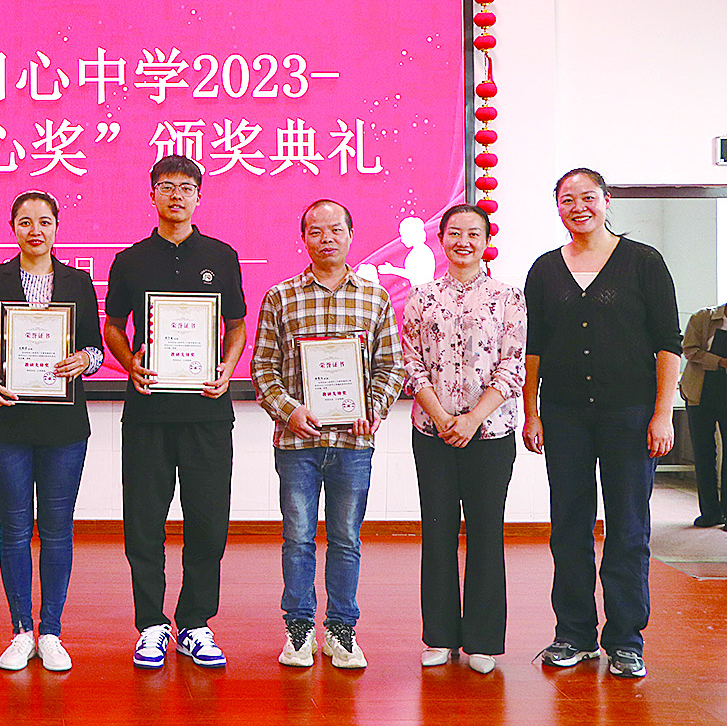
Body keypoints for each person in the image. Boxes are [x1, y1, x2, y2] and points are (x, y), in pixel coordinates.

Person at [523, 168, 682, 679]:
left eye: (588, 197)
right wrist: (531, 412)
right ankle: (574, 634)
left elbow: (668, 343)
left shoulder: (643, 262)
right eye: (567, 200)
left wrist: (662, 413)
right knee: (569, 526)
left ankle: (626, 639)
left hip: (630, 415)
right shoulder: (545, 270)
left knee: (628, 527)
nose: (578, 207)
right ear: (558, 208)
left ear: (607, 201)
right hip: (564, 415)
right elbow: (533, 349)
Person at [103, 156, 247, 671]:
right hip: (148, 412)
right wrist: (130, 364)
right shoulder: (131, 260)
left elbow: (236, 326)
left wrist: (228, 368)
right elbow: (113, 325)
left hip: (207, 412)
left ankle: (195, 623)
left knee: (208, 520)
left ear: (199, 197)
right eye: (167, 187)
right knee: (144, 522)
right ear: (152, 195)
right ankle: (151, 624)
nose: (177, 196)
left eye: (187, 188)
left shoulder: (222, 257)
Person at [251, 199, 403, 670]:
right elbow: (262, 369)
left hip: (353, 444)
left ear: (351, 235)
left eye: (336, 229)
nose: (327, 239)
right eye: (316, 231)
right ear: (304, 239)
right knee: (297, 538)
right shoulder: (281, 297)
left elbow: (391, 367)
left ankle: (341, 629)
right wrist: (290, 411)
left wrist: (372, 410)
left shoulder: (375, 298)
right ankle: (298, 629)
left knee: (346, 539)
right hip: (297, 443)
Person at [0, 191, 105, 673]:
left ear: (57, 227)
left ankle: (51, 632)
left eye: (44, 221)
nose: (35, 231)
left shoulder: (78, 282)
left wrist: (84, 359)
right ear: (13, 228)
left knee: (58, 529)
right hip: (7, 423)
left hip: (64, 426)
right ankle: (21, 630)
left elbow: (96, 348)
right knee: (15, 527)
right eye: (25, 222)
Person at [401, 204, 525, 675]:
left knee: (486, 533)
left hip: (490, 433)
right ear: (442, 239)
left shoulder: (508, 297)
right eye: (455, 233)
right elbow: (412, 363)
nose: (464, 242)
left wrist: (472, 418)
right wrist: (442, 417)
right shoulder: (422, 296)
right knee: (437, 533)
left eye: (474, 233)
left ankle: (483, 641)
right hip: (431, 433)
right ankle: (439, 636)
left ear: (486, 239)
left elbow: (512, 365)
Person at [681, 301, 727, 528]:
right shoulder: (703, 318)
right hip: (700, 392)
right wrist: (720, 361)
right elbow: (689, 350)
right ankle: (710, 513)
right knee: (703, 453)